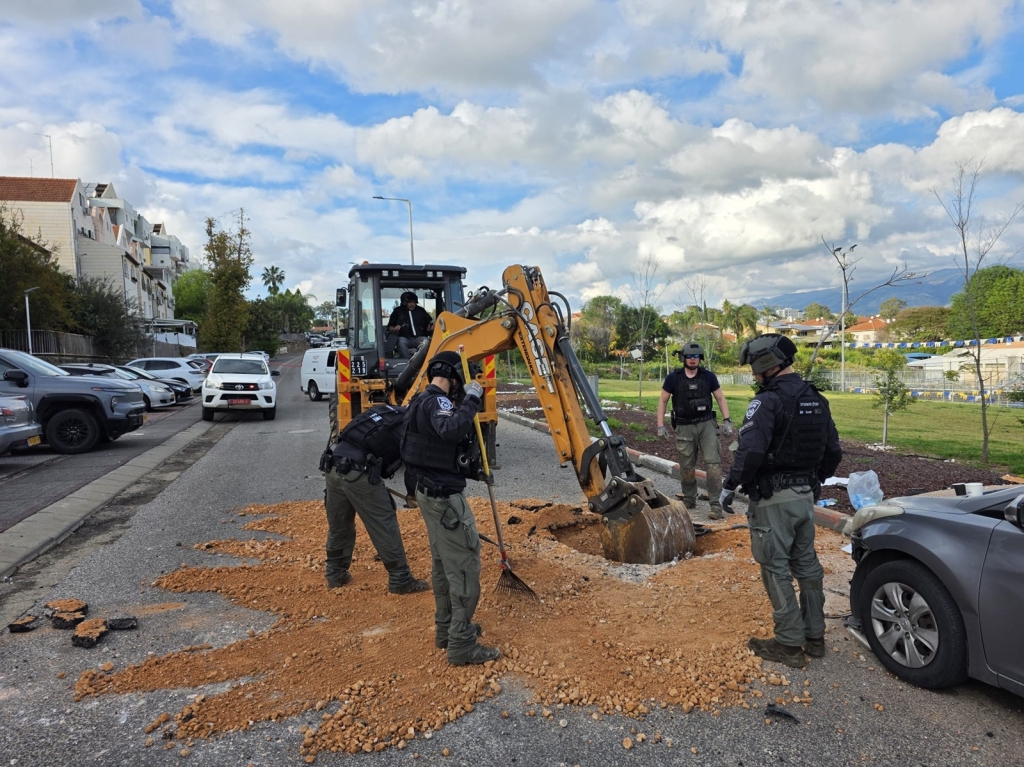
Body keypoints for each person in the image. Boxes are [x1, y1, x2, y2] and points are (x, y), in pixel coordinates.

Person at [720, 334, 842, 668]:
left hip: (773, 499)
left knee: (775, 567)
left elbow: (751, 451)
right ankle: (815, 637)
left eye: (753, 366)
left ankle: (788, 644)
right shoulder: (816, 398)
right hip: (805, 497)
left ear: (764, 363)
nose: (753, 373)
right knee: (807, 565)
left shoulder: (767, 401)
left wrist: (730, 484)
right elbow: (833, 451)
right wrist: (814, 480)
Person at [401, 350, 500, 666]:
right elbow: (451, 429)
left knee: (444, 565)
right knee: (465, 566)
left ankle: (446, 630)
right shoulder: (439, 402)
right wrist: (473, 399)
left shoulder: (418, 402)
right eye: (462, 381)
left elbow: (434, 448)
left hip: (429, 494)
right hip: (445, 501)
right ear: (455, 378)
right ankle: (461, 644)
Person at [321, 403, 430, 594]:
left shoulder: (386, 411)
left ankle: (335, 574)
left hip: (333, 466)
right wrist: (412, 495)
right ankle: (400, 579)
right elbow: (412, 467)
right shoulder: (412, 425)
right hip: (359, 473)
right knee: (384, 523)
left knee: (340, 525)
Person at [656, 342, 733, 519]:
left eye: (696, 356)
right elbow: (663, 401)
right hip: (684, 426)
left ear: (700, 358)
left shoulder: (708, 377)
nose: (692, 359)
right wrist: (660, 425)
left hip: (707, 425)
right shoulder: (673, 378)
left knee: (713, 465)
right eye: (689, 356)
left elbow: (720, 398)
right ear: (683, 358)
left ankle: (716, 505)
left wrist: (727, 421)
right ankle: (689, 498)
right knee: (686, 466)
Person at [387, 292, 434, 358]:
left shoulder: (421, 311)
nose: (412, 304)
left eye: (414, 302)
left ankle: (423, 360)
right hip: (404, 338)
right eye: (409, 302)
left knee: (426, 341)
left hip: (419, 338)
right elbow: (389, 327)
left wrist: (429, 328)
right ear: (404, 302)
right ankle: (407, 361)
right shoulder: (397, 311)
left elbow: (430, 323)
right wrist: (394, 328)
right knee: (400, 341)